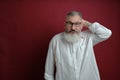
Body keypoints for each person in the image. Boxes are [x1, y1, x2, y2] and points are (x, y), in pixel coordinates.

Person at [44, 11, 112, 80]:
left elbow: (106, 33)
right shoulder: (56, 40)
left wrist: (86, 23)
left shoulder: (88, 37)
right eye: (70, 23)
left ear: (82, 25)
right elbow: (48, 72)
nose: (73, 28)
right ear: (65, 24)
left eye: (77, 24)